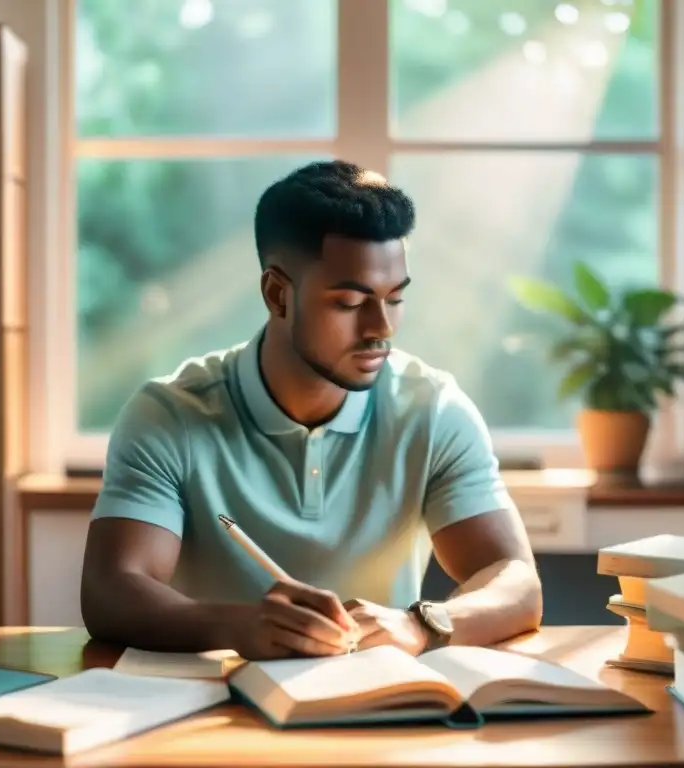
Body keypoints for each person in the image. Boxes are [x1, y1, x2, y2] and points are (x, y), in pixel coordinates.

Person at [80, 160, 542, 660]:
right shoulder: (170, 414)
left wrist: (422, 625)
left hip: (382, 702)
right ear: (278, 294)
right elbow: (112, 592)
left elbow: (517, 583)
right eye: (349, 302)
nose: (380, 327)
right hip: (212, 710)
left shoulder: (433, 409)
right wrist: (241, 625)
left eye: (394, 298)